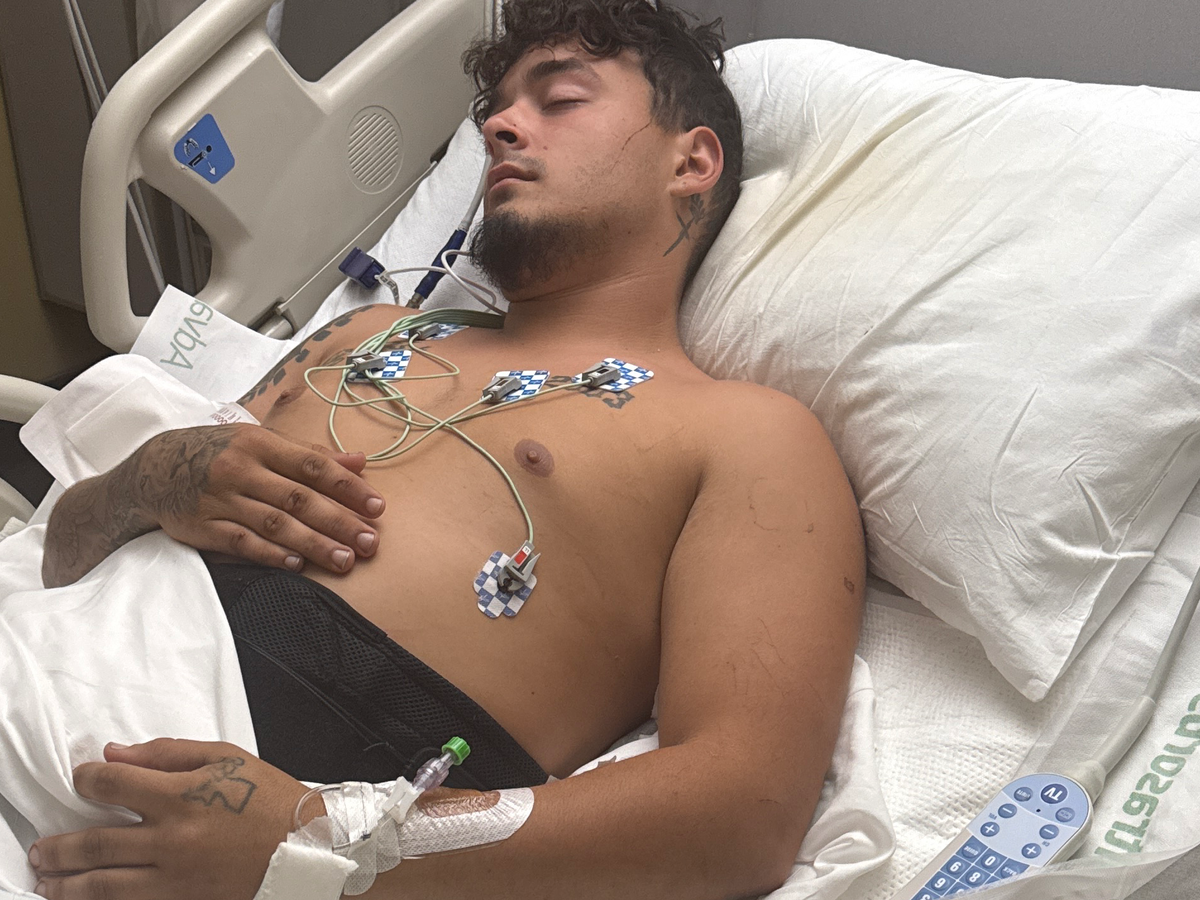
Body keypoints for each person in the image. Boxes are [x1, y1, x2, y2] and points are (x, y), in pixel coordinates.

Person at [29, 1, 864, 897]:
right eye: (497, 110)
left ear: (690, 163)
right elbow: (56, 553)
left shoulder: (747, 434)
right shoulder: (366, 334)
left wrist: (329, 844)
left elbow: (744, 815)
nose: (500, 128)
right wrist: (144, 481)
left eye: (560, 100)